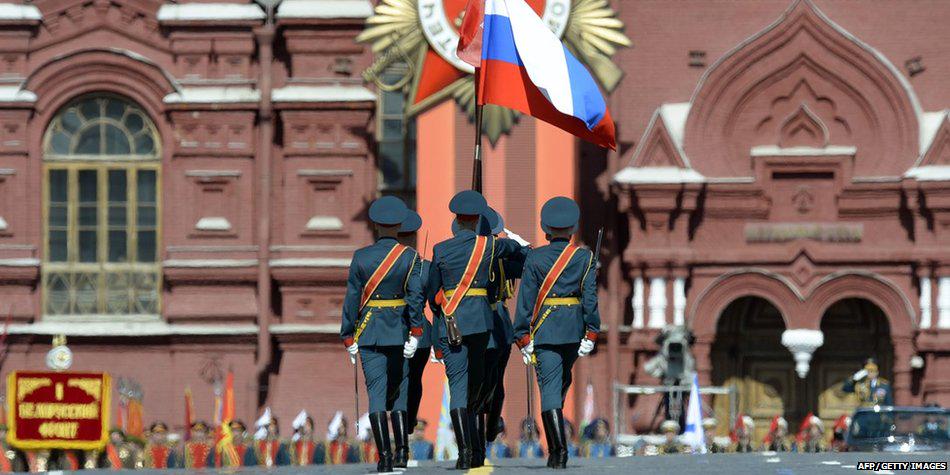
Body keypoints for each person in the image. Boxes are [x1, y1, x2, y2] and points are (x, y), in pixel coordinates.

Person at [428, 190, 526, 469]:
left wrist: (443, 312)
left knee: (458, 389)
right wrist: (517, 241)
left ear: (457, 220)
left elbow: (433, 295)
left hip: (452, 325)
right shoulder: (490, 246)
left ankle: (465, 453)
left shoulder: (440, 249)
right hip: (483, 324)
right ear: (477, 220)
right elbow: (519, 253)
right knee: (479, 385)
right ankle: (480, 440)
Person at [341, 196, 425, 472]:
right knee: (400, 391)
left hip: (369, 333)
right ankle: (401, 453)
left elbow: (351, 299)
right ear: (399, 225)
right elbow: (415, 298)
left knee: (376, 394)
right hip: (399, 331)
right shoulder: (410, 257)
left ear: (376, 225)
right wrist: (416, 332)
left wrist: (348, 336)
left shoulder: (360, 257)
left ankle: (384, 457)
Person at [513, 196, 599, 469]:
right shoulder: (584, 257)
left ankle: (558, 451)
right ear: (573, 228)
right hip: (573, 330)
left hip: (546, 329)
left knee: (552, 387)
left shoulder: (535, 257)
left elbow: (526, 300)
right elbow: (590, 299)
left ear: (545, 228)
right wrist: (591, 332)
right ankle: (558, 448)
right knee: (559, 382)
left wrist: (522, 336)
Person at [473, 207, 525, 467]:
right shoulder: (503, 259)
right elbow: (529, 263)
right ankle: (492, 422)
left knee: (474, 381)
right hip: (500, 323)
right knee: (497, 380)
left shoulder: (464, 258)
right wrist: (519, 245)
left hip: (473, 322)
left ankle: (480, 426)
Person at [399, 210, 434, 467]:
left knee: (396, 384)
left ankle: (401, 434)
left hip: (391, 332)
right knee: (414, 382)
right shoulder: (425, 267)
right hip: (421, 333)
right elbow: (438, 304)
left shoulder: (383, 264)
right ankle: (409, 421)